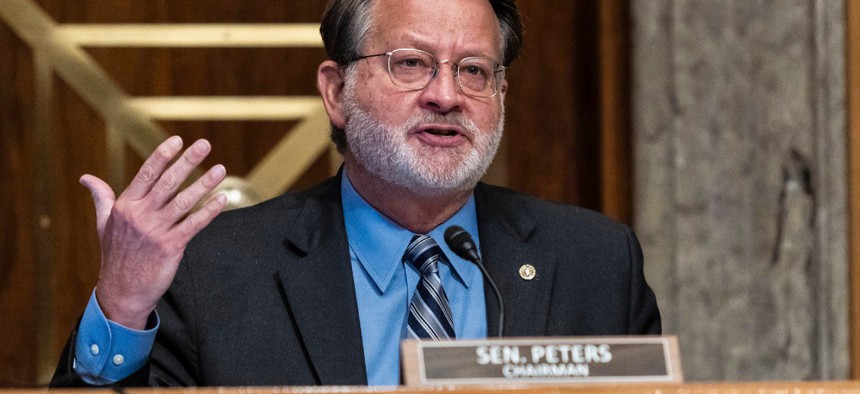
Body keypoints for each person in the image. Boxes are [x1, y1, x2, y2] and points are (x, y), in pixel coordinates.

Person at [51, 0, 660, 387]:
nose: (446, 95)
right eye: (411, 63)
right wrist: (124, 308)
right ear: (337, 92)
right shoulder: (214, 269)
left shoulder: (595, 263)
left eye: (474, 70)